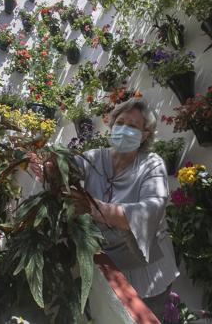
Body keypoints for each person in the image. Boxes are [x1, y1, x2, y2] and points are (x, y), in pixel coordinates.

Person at [71, 98, 180, 320]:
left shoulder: (152, 164)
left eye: (132, 126)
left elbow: (150, 210)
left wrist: (95, 208)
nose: (123, 130)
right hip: (108, 266)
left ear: (145, 134)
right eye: (119, 123)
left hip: (147, 272)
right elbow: (65, 171)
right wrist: (49, 166)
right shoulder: (93, 157)